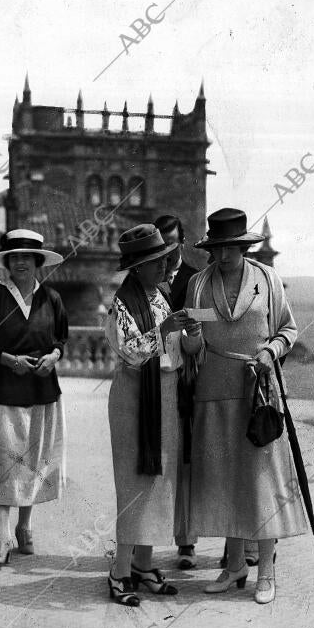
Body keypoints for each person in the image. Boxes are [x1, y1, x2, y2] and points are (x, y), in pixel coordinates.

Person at [184, 208, 306, 604]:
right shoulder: (199, 285)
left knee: (262, 483)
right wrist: (188, 337)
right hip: (213, 393)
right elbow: (192, 346)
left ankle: (266, 571)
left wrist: (271, 351)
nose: (222, 256)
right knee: (225, 480)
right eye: (216, 249)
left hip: (259, 394)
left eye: (230, 248)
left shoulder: (268, 280)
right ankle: (234, 565)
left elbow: (288, 329)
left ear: (243, 246)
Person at [104, 224, 202, 606]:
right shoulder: (122, 304)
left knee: (160, 481)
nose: (163, 265)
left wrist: (190, 333)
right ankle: (120, 570)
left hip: (165, 394)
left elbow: (180, 350)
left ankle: (143, 564)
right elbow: (129, 351)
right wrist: (165, 329)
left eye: (163, 259)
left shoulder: (160, 297)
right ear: (137, 266)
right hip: (134, 397)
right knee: (134, 484)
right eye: (155, 261)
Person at [0, 229, 67, 568]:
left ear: (39, 261)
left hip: (42, 391)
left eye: (28, 256)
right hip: (0, 393)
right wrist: (9, 360)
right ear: (7, 263)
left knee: (34, 462)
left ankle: (25, 528)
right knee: (4, 464)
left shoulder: (52, 298)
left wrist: (53, 357)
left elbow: (60, 340)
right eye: (15, 257)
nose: (22, 261)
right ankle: (1, 536)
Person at [154, 214, 200, 570]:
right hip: (154, 381)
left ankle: (186, 541)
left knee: (185, 460)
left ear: (182, 241)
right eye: (162, 244)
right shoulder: (147, 280)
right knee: (155, 460)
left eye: (172, 242)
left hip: (187, 382)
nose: (168, 251)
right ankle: (145, 544)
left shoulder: (195, 279)